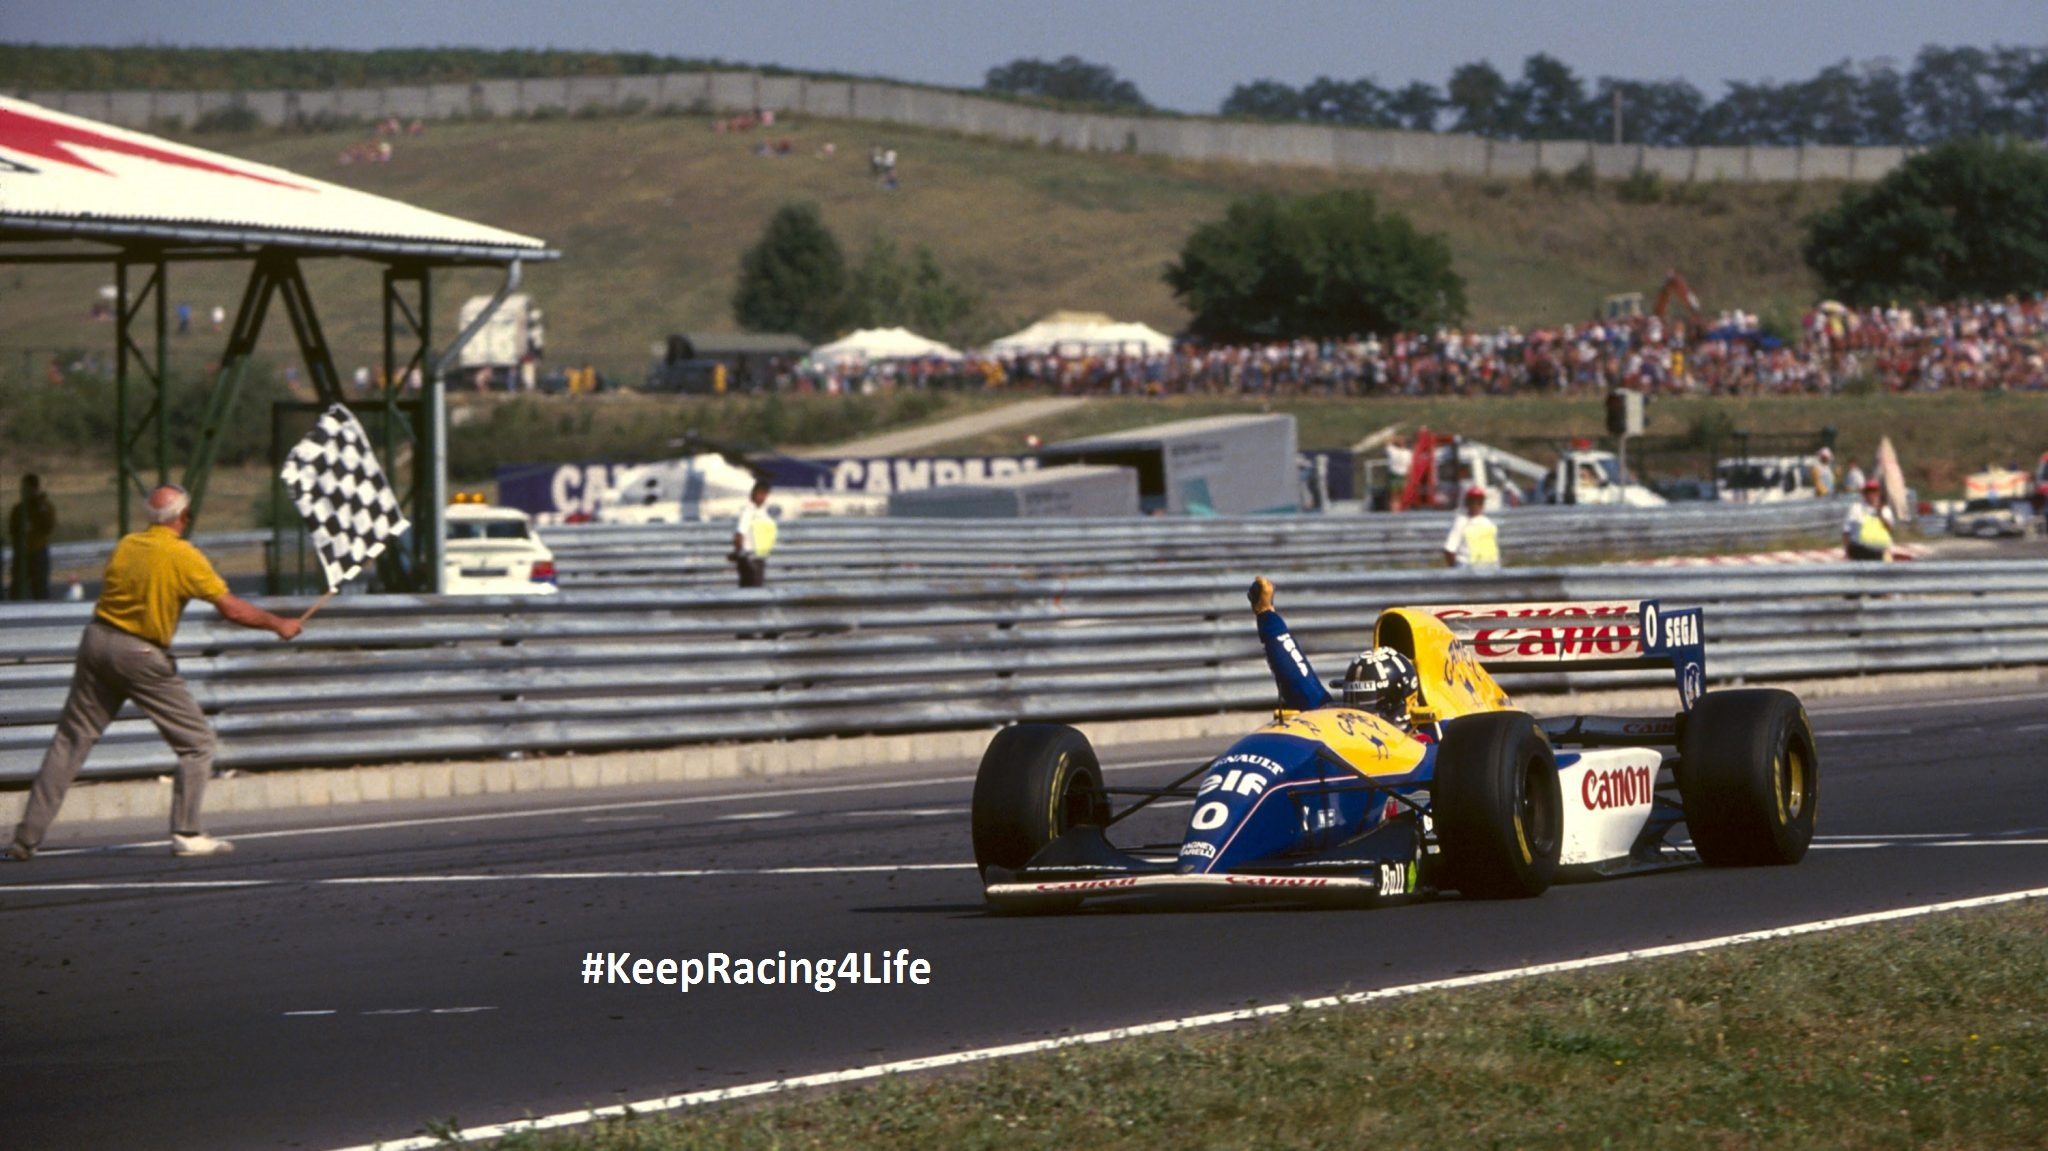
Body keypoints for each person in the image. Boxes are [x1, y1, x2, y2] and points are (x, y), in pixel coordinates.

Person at [7, 485, 303, 862]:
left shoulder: (128, 544)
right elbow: (232, 610)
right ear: (184, 517)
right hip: (142, 653)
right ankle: (187, 831)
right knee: (197, 742)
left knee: (70, 741)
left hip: (97, 641)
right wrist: (279, 624)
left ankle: (25, 839)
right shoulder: (184, 557)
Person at [1247, 576, 1421, 734]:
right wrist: (1266, 615)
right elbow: (1298, 680)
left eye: (1372, 704)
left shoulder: (1431, 745)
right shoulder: (1337, 727)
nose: (1359, 716)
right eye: (1355, 702)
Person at [9, 473, 58, 601]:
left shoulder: (44, 507)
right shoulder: (19, 509)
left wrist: (40, 507)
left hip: (38, 550)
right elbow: (12, 529)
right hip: (22, 552)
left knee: (40, 587)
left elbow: (49, 526)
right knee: (18, 586)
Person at [1441, 486, 1501, 571]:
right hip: (1467, 566)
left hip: (1489, 566)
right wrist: (1456, 571)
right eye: (1473, 501)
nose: (1476, 505)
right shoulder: (1461, 522)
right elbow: (1449, 550)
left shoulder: (1489, 524)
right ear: (1467, 503)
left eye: (1479, 502)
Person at [730, 480, 776, 588]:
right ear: (753, 493)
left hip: (759, 556)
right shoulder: (748, 511)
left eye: (764, 494)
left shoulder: (760, 511)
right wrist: (742, 557)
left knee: (756, 588)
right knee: (750, 589)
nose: (762, 497)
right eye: (760, 494)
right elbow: (739, 535)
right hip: (749, 558)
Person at [1843, 479, 1895, 561]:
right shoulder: (1856, 508)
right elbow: (1846, 531)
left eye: (1874, 491)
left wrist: (1880, 514)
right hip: (1860, 550)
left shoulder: (1885, 510)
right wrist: (1846, 553)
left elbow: (1889, 529)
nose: (1872, 495)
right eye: (1869, 492)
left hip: (1880, 551)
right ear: (1864, 494)